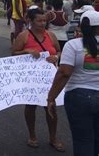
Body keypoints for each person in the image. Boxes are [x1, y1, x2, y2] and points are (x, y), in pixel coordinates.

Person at [12, 8, 64, 151]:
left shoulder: (51, 35)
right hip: (31, 79)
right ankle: (32, 135)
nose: (42, 23)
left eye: (44, 20)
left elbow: (58, 50)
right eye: (39, 21)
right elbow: (13, 53)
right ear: (31, 21)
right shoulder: (24, 36)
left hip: (49, 79)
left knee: (51, 107)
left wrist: (56, 57)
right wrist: (26, 51)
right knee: (30, 107)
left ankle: (53, 138)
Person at [47, 10, 99, 156]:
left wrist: (51, 97)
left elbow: (64, 73)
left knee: (83, 141)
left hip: (79, 98)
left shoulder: (73, 45)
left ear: (81, 26)